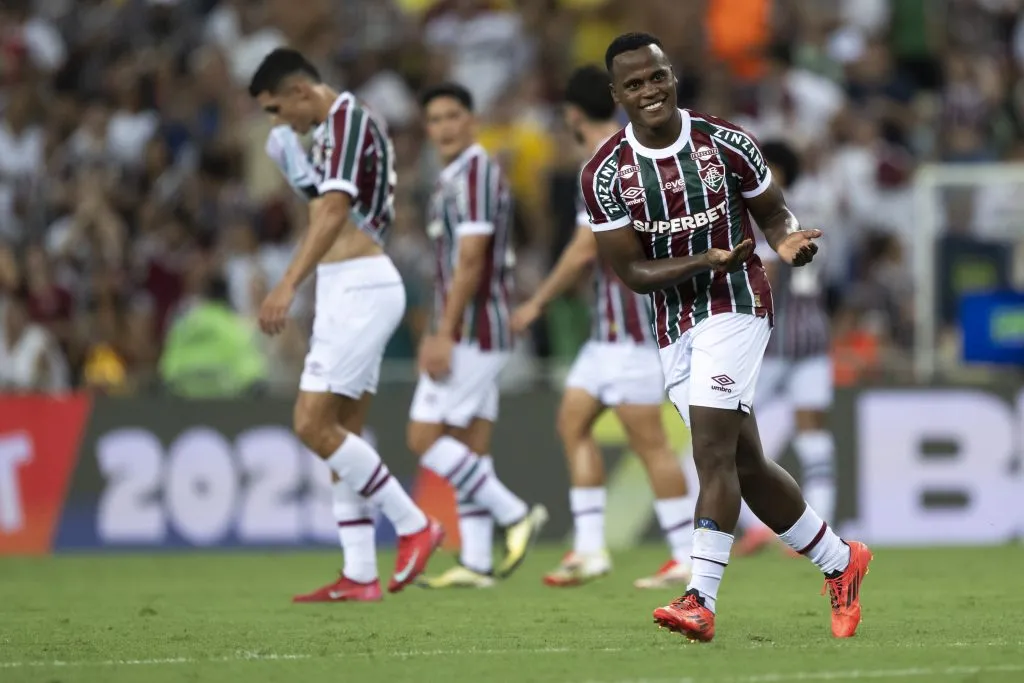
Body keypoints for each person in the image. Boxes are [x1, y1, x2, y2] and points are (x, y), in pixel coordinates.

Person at [580, 33, 872, 642]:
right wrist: (700, 261)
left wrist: (787, 238)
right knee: (745, 462)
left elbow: (774, 212)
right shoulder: (604, 174)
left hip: (738, 305)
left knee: (711, 451)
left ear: (672, 76)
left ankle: (699, 599)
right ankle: (842, 562)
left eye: (656, 77)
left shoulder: (726, 142)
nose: (649, 91)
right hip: (674, 324)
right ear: (617, 95)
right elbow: (632, 273)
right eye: (634, 84)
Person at [248, 48, 442, 603]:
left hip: (360, 283)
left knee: (311, 423)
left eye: (276, 109)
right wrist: (300, 174)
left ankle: (413, 526)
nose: (279, 121)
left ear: (302, 92)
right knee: (340, 435)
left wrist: (288, 284)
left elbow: (336, 211)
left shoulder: (349, 119)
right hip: (344, 285)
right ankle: (360, 572)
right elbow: (329, 205)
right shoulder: (331, 133)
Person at [511, 65, 695, 589]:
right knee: (572, 421)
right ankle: (590, 549)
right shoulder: (636, 149)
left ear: (571, 115)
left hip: (636, 331)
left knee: (650, 443)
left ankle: (685, 553)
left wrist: (538, 302)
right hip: (607, 334)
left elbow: (581, 249)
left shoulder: (607, 162)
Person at [409, 83, 548, 589]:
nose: (443, 127)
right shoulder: (455, 177)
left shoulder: (475, 175)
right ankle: (478, 562)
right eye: (435, 119)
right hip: (473, 325)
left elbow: (469, 261)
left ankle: (514, 515)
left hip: (473, 327)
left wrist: (442, 333)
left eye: (452, 116)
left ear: (471, 121)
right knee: (471, 444)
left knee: (423, 437)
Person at [735, 140, 837, 557]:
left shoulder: (766, 219)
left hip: (779, 342)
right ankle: (790, 527)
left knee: (734, 436)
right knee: (803, 435)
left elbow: (770, 276)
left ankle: (782, 528)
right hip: (804, 338)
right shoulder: (809, 212)